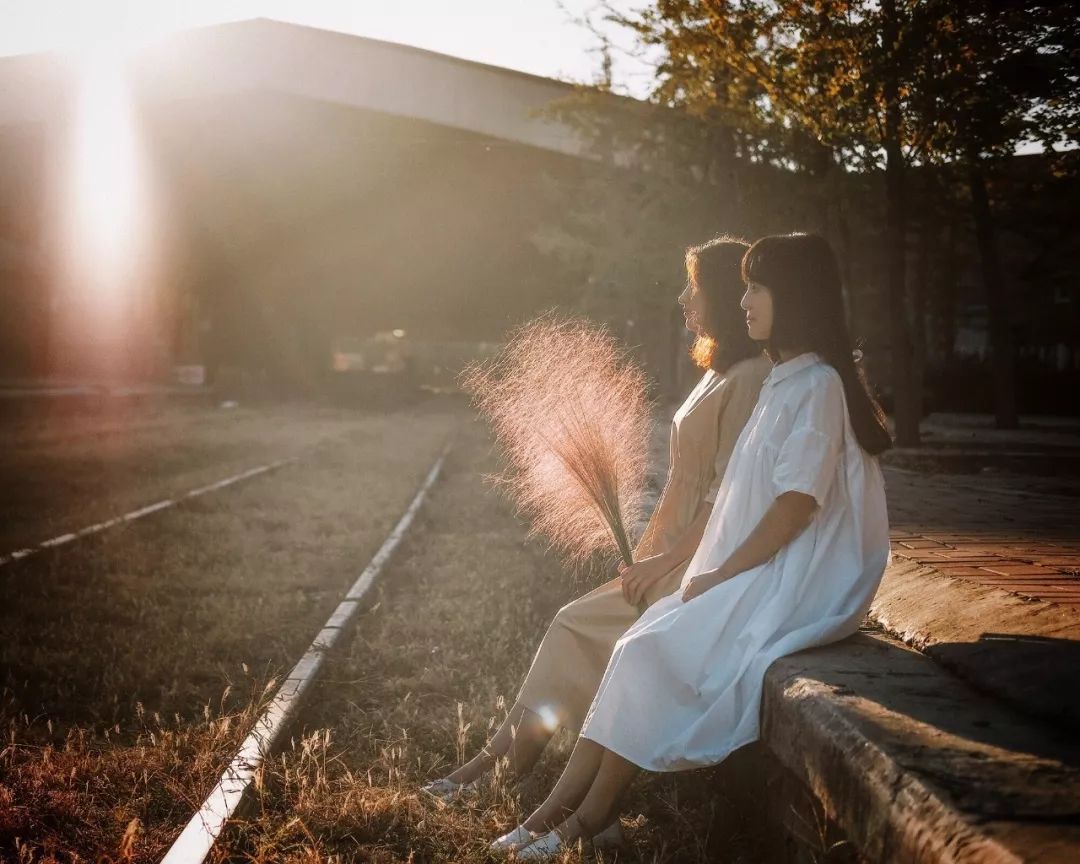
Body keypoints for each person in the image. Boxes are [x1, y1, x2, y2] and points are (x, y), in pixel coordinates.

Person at [495, 232, 893, 859]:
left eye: (757, 287)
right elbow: (746, 497)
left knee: (649, 648)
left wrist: (720, 575)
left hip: (803, 581)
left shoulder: (818, 386)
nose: (744, 301)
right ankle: (554, 815)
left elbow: (795, 506)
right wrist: (708, 569)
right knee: (636, 643)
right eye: (743, 287)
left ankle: (577, 821)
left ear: (796, 297)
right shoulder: (784, 383)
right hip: (769, 567)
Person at [423, 237, 771, 842]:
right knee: (574, 625)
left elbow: (725, 496)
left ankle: (503, 769)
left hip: (700, 563)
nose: (684, 297)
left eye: (694, 286)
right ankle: (501, 765)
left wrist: (666, 558)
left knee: (575, 625)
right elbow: (685, 486)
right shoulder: (718, 373)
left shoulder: (750, 378)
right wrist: (646, 547)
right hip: (670, 554)